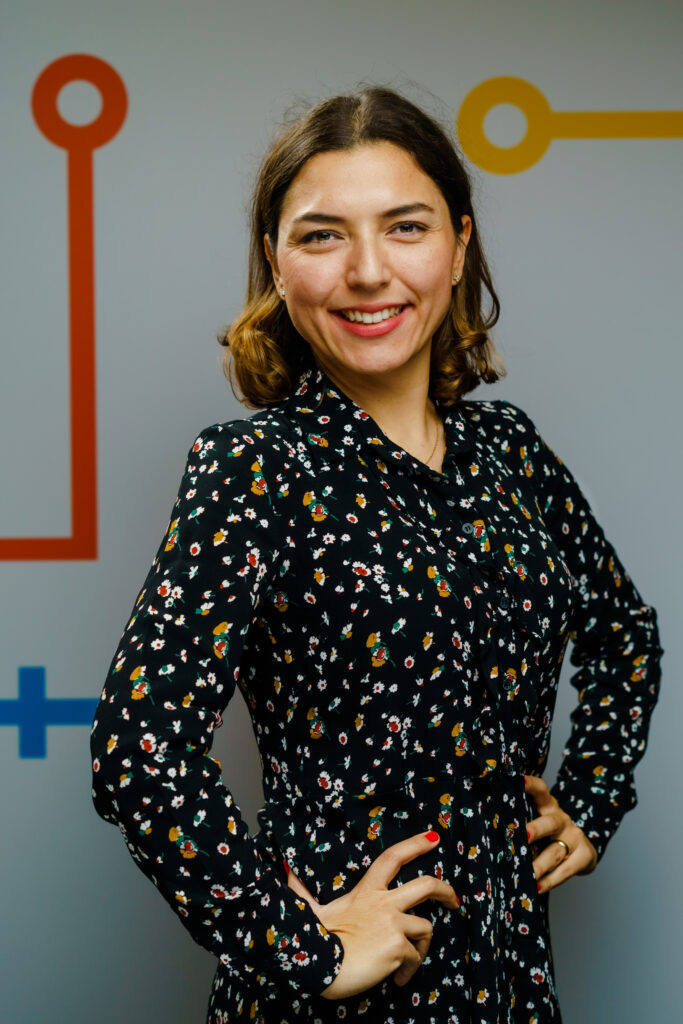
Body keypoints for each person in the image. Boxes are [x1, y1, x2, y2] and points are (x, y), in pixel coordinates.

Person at [90, 86, 662, 1024]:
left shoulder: (509, 451)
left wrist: (591, 799)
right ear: (276, 262)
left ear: (458, 245)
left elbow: (623, 632)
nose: (366, 270)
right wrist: (299, 947)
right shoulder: (257, 468)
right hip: (352, 996)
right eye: (321, 236)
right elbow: (137, 752)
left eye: (405, 227)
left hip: (510, 976)